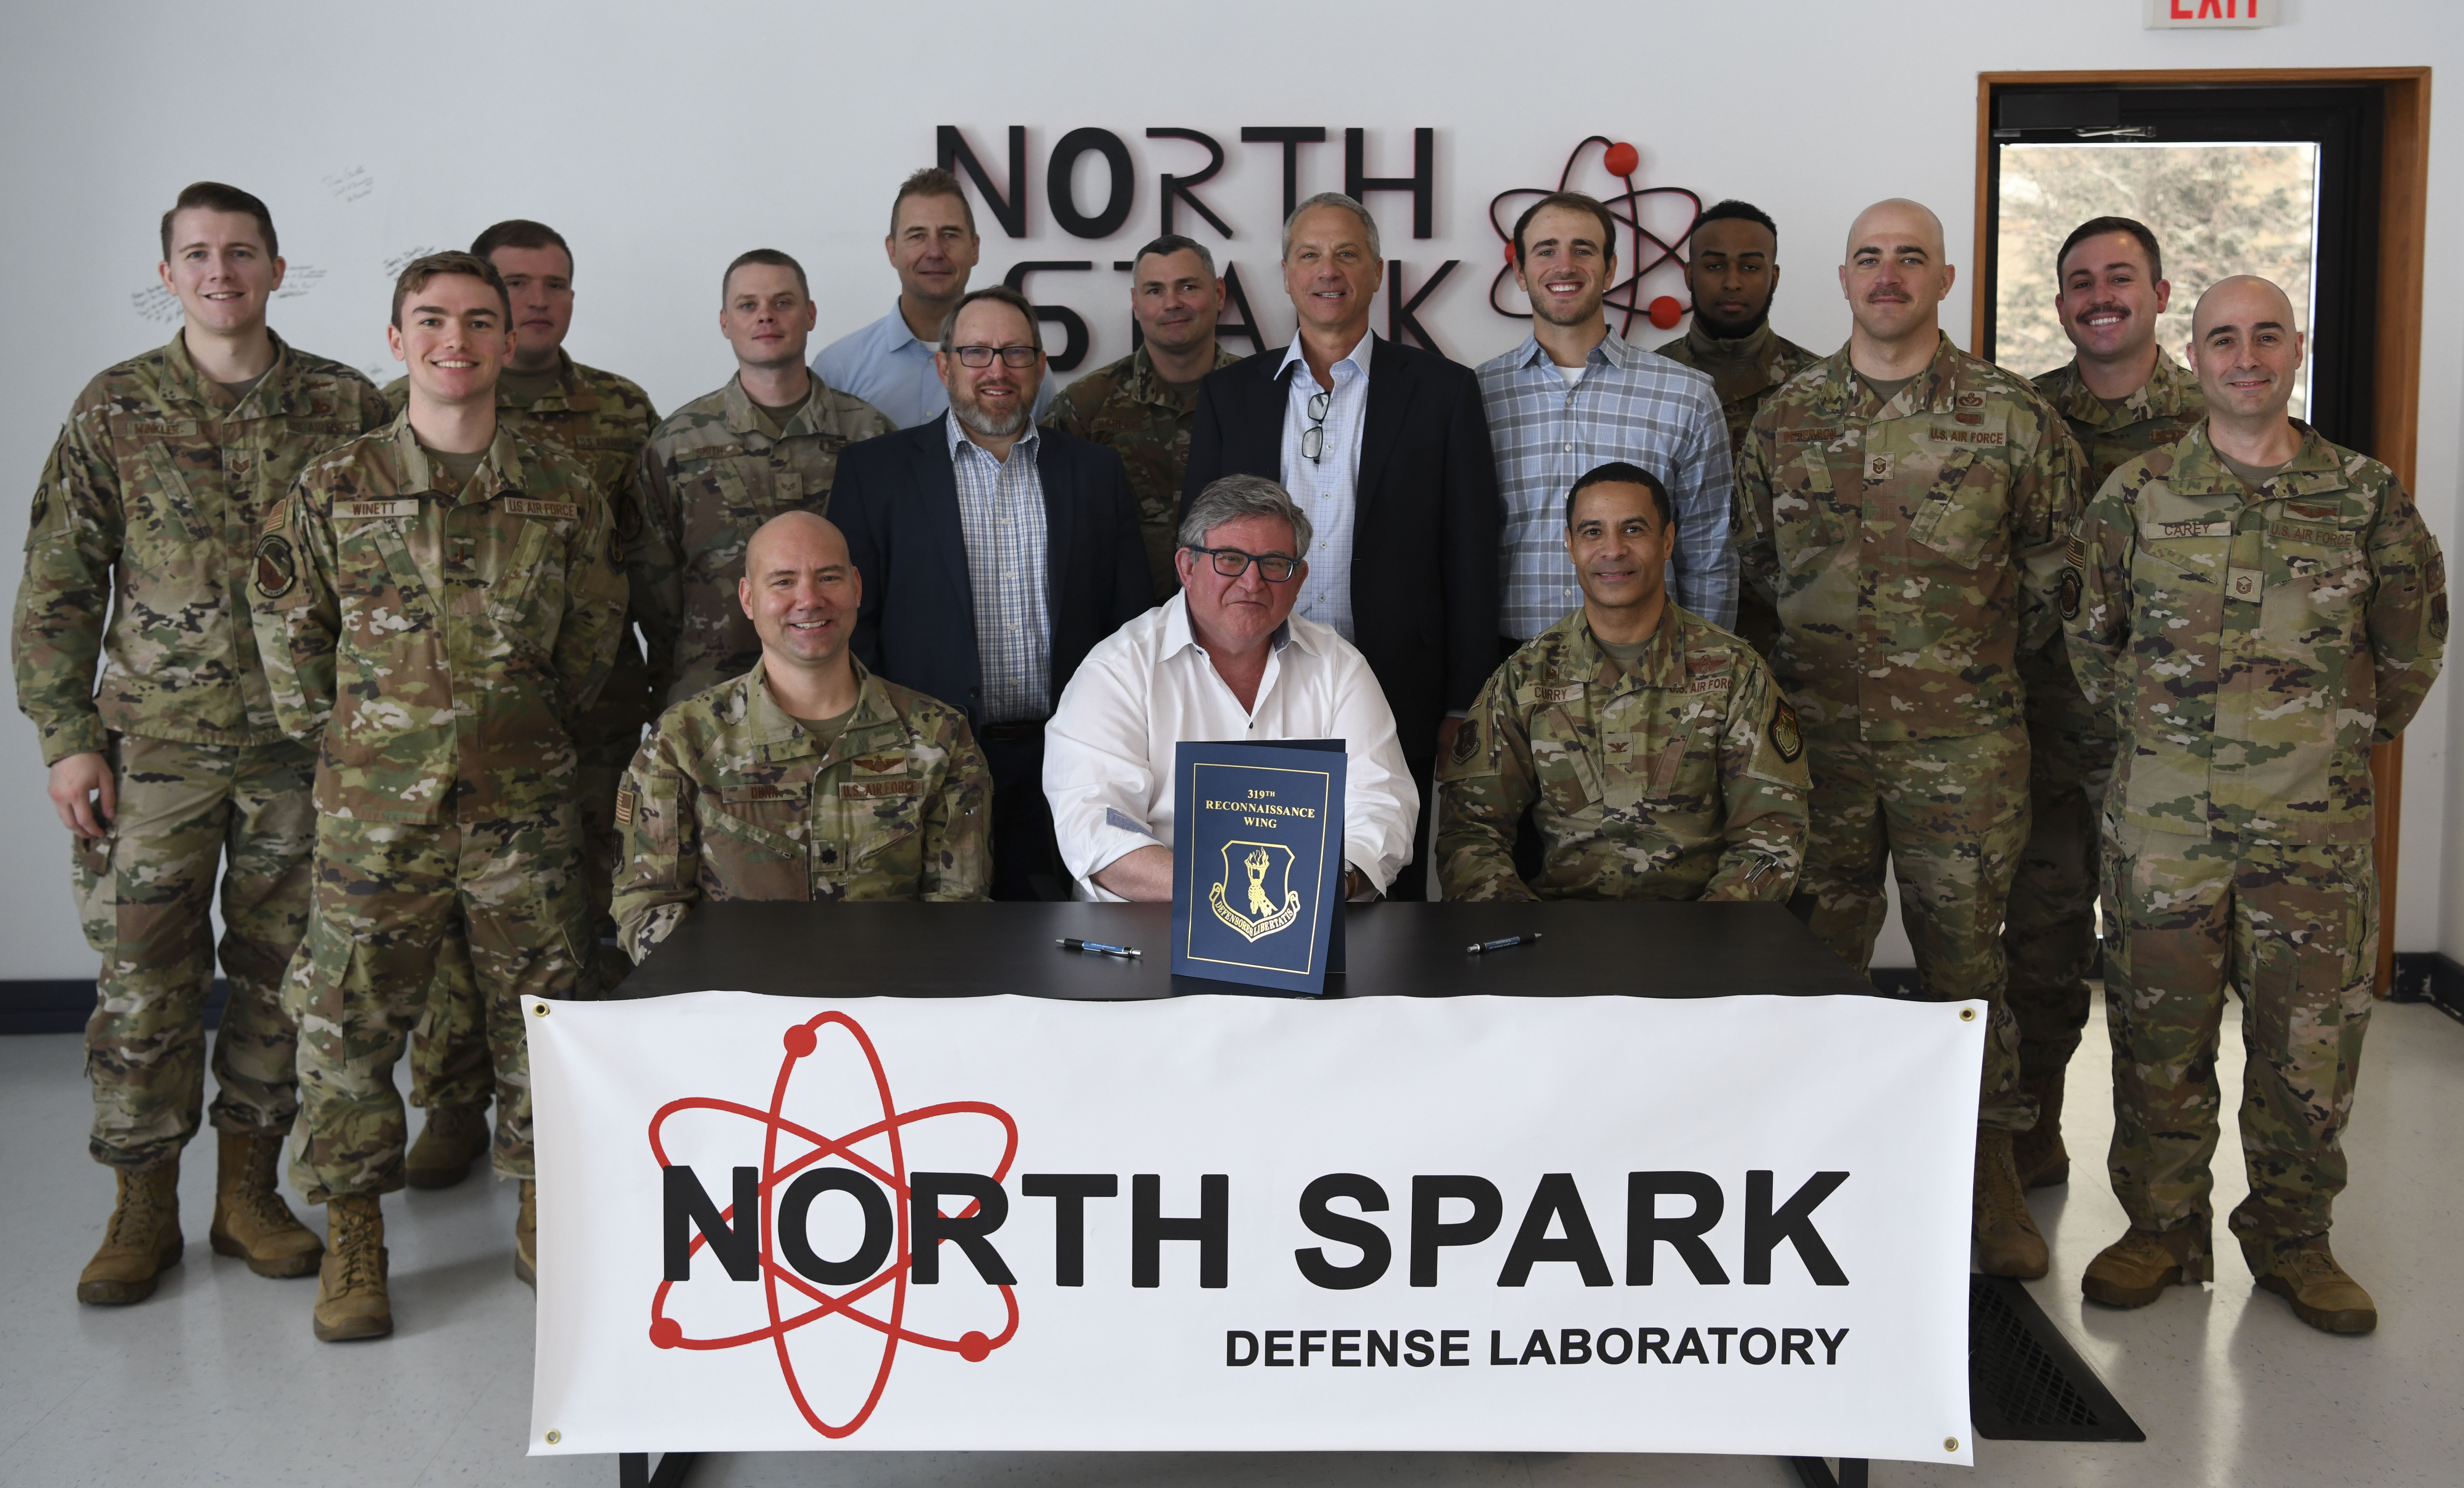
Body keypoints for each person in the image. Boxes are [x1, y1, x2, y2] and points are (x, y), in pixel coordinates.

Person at [16, 182, 388, 1307]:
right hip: (155, 751)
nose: (220, 272)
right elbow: (59, 582)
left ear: (277, 267)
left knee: (282, 978)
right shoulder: (116, 407)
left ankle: (248, 1195)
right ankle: (141, 1206)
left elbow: (388, 576)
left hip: (298, 749)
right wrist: (68, 739)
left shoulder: (343, 404)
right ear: (168, 273)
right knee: (144, 981)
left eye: (240, 252)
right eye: (197, 254)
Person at [251, 252, 625, 1340]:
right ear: (396, 339)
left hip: (523, 809)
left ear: (508, 341)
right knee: (348, 1021)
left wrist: (517, 726)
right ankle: (354, 1230)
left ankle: (547, 1205)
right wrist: (375, 742)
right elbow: (291, 640)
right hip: (377, 815)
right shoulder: (337, 484)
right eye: (430, 320)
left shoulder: (561, 487)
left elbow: (593, 636)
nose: (453, 340)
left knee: (546, 1017)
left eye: (476, 321)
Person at [2066, 275, 2446, 1334]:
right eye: (2223, 339)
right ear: (2194, 355)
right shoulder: (2137, 493)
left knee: (2308, 1049)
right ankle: (2159, 1229)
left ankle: (2292, 1241)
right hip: (2164, 833)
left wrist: (2323, 745)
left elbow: (2410, 646)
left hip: (2311, 837)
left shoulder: (2363, 496)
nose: (2244, 358)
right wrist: (2165, 748)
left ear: (2295, 350)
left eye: (2265, 337)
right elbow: (2089, 642)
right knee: (2155, 1038)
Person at [1734, 198, 2085, 1280]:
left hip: (1963, 753)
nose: (1887, 275)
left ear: (1944, 279)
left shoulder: (2012, 419)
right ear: (1842, 279)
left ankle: (1985, 1179)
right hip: (1818, 754)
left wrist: (1958, 667)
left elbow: (2058, 585)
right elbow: (1755, 570)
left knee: (1968, 974)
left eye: (1910, 258)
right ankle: (1816, 1178)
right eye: (1869, 258)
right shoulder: (1785, 419)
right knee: (1812, 967)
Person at [378, 219, 662, 1191]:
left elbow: (629, 568)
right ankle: (453, 1102)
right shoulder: (396, 413)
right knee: (449, 929)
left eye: (555, 285)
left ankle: (571, 1125)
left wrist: (553, 702)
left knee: (569, 923)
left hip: (584, 718)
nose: (537, 301)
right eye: (517, 285)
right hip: (431, 734)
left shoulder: (619, 409)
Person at [1183, 192, 1502, 901]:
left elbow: (1472, 553)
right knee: (1254, 882)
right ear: (1286, 275)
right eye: (1310, 255)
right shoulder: (1230, 395)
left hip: (1397, 683)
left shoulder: (1442, 391)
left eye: (1346, 254)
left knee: (1384, 882)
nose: (1328, 271)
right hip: (1252, 680)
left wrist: (1463, 700)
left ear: (1377, 272)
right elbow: (1198, 553)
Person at [2005, 216, 2208, 1196]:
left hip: (2167, 749)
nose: (2100, 297)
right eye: (2080, 282)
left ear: (2159, 295)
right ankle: (2030, 1133)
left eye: (2120, 278)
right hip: (2041, 733)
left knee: (2158, 968)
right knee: (2038, 945)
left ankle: (2156, 1191)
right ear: (2059, 305)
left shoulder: (2216, 419)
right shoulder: (2020, 417)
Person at [834, 285, 1147, 901]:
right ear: (944, 366)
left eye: (1015, 352)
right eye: (976, 352)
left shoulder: (1095, 473)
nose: (997, 369)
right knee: (938, 944)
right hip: (921, 767)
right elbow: (853, 627)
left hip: (1068, 763)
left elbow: (1130, 622)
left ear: (1041, 365)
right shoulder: (875, 474)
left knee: (1060, 936)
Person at [611, 512, 991, 956]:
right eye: (784, 581)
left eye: (828, 577)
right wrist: (729, 991)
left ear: (856, 588)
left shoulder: (939, 736)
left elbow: (958, 909)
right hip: (735, 993)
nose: (809, 599)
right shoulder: (682, 740)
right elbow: (647, 906)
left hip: (890, 993)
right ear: (748, 598)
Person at [1439, 462, 1807, 901]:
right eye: (1592, 532)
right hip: (1558, 929)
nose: (1613, 550)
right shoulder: (1525, 677)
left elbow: (1770, 836)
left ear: (1667, 541)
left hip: (1701, 929)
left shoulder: (1735, 673)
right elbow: (1469, 832)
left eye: (1633, 530)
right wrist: (1524, 930)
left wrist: (1710, 932)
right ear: (1570, 544)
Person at [1044, 474, 1417, 900]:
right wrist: (1221, 891)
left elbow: (1382, 805)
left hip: (1307, 919)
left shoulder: (1340, 668)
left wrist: (1337, 881)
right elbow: (1096, 825)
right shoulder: (1116, 670)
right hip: (1148, 923)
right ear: (1187, 567)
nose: (1252, 582)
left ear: (1298, 580)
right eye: (1230, 559)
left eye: (1273, 563)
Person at [639, 249, 892, 707]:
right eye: (748, 305)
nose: (766, 317)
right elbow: (655, 589)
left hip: (848, 693)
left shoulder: (869, 433)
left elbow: (896, 573)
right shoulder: (678, 443)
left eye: (782, 303)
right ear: (725, 322)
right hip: (714, 698)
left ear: (810, 314)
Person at [1481, 191, 1734, 644]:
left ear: (1610, 269)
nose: (1565, 266)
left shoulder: (1686, 395)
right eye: (1546, 251)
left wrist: (1705, 666)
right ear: (1519, 271)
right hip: (1511, 662)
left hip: (1651, 661)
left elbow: (1707, 554)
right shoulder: (1476, 395)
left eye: (1583, 250)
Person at [1656, 199, 1821, 655]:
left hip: (1795, 644)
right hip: (1672, 638)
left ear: (1774, 276)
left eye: (1750, 266)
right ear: (1689, 275)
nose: (1732, 282)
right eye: (1714, 266)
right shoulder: (1648, 384)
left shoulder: (1822, 387)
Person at [1044, 233, 1240, 600]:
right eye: (1154, 291)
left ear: (1218, 294)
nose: (1172, 303)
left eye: (1187, 287)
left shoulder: (1257, 396)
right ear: (1136, 303)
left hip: (1234, 613)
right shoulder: (1085, 406)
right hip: (1117, 623)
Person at [812, 166, 1055, 429]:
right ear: (892, 251)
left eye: (950, 235)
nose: (935, 252)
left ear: (974, 249)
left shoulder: (1022, 368)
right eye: (917, 236)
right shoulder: (838, 369)